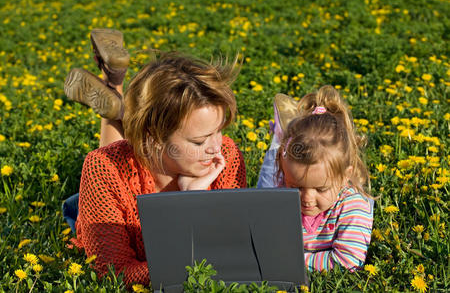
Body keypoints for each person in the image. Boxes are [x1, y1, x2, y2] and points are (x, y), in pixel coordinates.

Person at [63, 29, 247, 286]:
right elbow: (114, 272)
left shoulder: (227, 155)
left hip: (146, 142)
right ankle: (116, 93)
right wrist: (192, 268)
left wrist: (195, 200)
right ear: (155, 138)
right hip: (120, 168)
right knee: (112, 163)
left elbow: (231, 249)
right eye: (199, 141)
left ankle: (117, 93)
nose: (216, 148)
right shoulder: (102, 169)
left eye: (219, 131)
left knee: (120, 159)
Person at [258, 85, 374, 271]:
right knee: (266, 183)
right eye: (296, 187)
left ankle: (281, 135)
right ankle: (279, 141)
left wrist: (295, 261)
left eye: (320, 189)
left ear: (345, 177)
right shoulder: (281, 192)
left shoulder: (353, 206)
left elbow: (348, 261)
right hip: (281, 168)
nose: (307, 199)